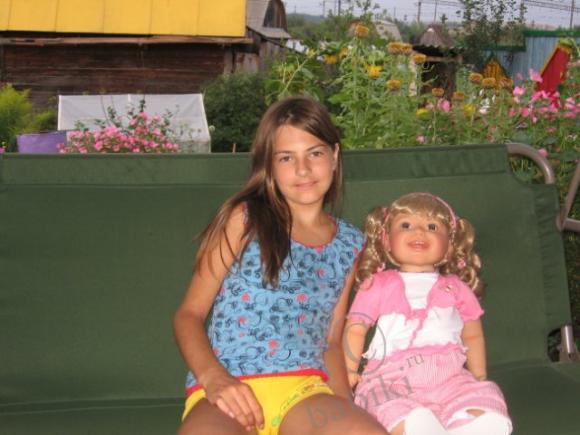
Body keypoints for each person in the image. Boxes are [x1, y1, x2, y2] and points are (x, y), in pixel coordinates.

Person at [174, 96, 388, 435]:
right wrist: (214, 378)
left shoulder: (350, 242)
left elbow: (332, 342)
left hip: (304, 393)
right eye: (286, 158)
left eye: (314, 154)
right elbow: (189, 315)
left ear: (335, 156)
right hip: (228, 391)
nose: (303, 169)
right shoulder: (244, 219)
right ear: (269, 166)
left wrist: (345, 405)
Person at [343, 192, 512, 435]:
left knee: (484, 395)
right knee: (381, 401)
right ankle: (415, 426)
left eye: (432, 226)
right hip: (391, 376)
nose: (419, 231)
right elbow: (355, 328)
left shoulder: (456, 287)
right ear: (387, 241)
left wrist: (478, 375)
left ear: (449, 246)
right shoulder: (378, 284)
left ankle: (466, 424)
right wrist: (349, 371)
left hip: (450, 376)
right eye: (406, 225)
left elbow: (473, 335)